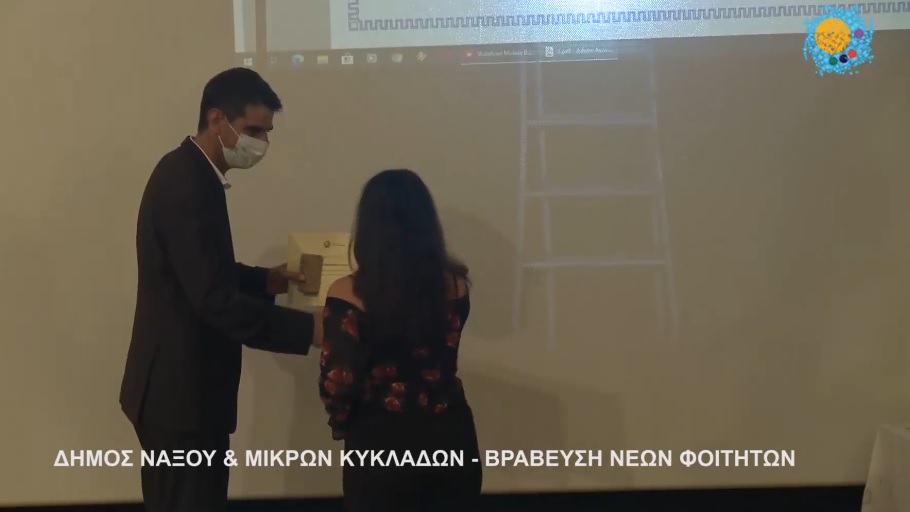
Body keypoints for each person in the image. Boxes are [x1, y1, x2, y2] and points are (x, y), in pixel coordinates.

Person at [119, 68, 321, 512]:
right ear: (216, 119)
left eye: (267, 133)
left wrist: (265, 280)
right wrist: (309, 330)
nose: (262, 144)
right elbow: (212, 298)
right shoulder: (185, 182)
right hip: (179, 400)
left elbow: (203, 271)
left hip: (188, 396)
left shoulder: (195, 174)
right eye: (253, 131)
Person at [318, 169, 482, 511]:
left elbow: (339, 382)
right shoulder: (456, 284)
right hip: (451, 432)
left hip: (381, 442)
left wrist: (342, 420)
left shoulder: (348, 292)